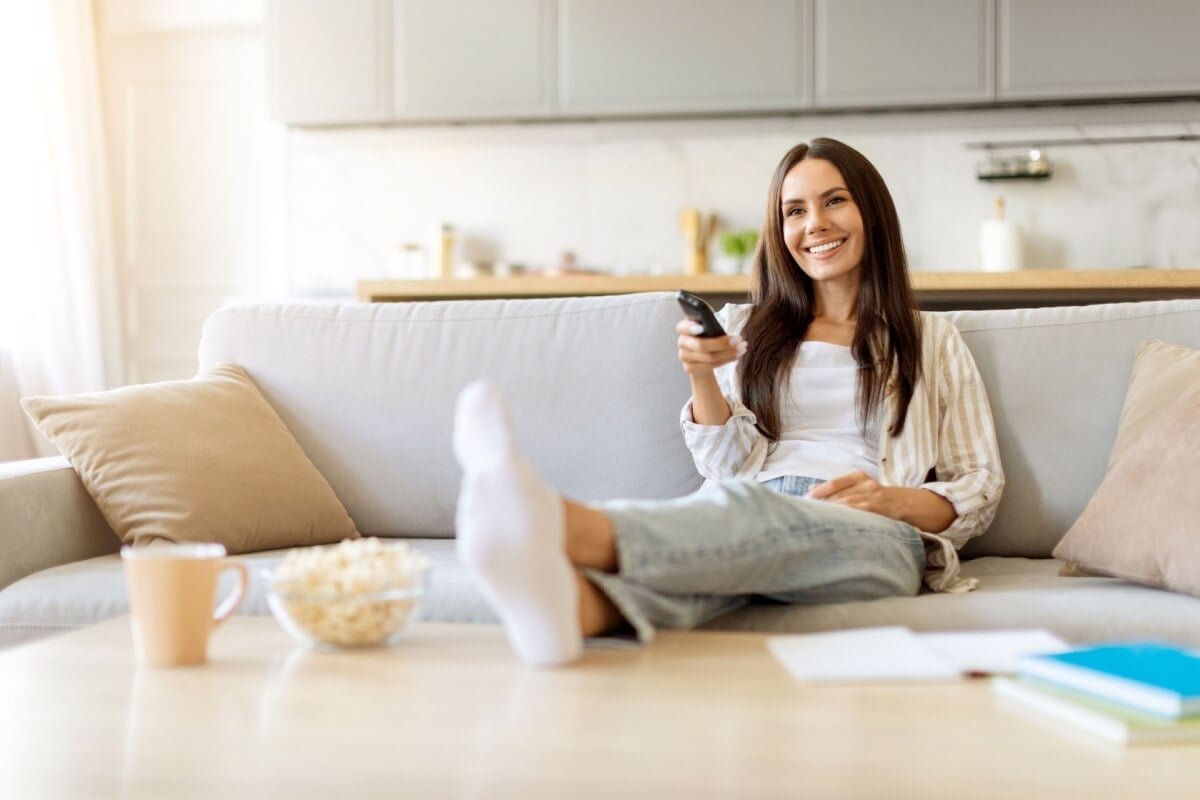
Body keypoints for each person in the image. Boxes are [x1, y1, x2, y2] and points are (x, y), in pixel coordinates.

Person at [452, 137, 1004, 667]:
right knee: (726, 553)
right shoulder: (747, 328)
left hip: (873, 531)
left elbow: (977, 480)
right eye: (794, 211)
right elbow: (725, 465)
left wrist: (892, 501)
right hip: (744, 503)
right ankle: (569, 614)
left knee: (749, 515)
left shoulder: (932, 340)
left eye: (834, 200)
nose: (814, 223)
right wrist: (703, 376)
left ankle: (551, 519)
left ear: (873, 211)